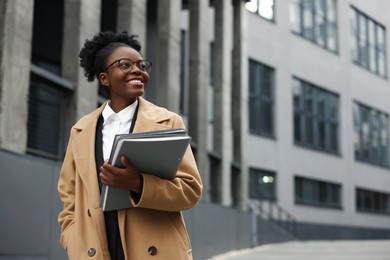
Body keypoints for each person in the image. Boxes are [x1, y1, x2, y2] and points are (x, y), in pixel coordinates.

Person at [57, 31, 203, 260]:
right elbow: (69, 196)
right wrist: (72, 239)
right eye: (125, 65)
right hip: (96, 248)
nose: (137, 70)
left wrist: (138, 184)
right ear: (104, 78)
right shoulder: (81, 130)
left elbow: (190, 191)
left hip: (155, 249)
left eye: (142, 66)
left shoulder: (167, 122)